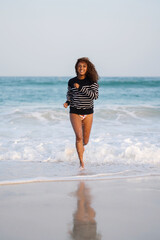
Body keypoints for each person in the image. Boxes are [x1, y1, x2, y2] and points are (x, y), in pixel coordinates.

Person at [63, 57, 99, 169]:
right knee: (79, 137)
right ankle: (81, 163)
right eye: (79, 66)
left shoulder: (92, 81)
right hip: (74, 111)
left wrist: (81, 88)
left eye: (84, 66)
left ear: (87, 68)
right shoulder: (71, 81)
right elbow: (70, 94)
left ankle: (81, 148)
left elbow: (95, 96)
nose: (81, 68)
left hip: (88, 112)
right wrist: (68, 102)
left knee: (85, 140)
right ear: (76, 68)